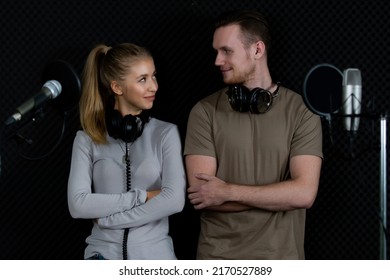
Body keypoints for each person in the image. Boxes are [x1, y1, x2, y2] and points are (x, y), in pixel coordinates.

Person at [184, 10, 323, 259]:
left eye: (226, 51)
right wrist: (279, 195)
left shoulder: (302, 110)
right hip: (217, 261)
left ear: (257, 50)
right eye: (216, 51)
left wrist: (228, 192)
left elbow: (303, 193)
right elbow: (203, 194)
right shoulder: (204, 111)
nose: (217, 60)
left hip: (283, 260)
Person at [67, 43, 186, 260]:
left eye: (154, 76)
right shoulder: (86, 139)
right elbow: (78, 205)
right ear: (117, 88)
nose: (154, 87)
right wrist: (144, 196)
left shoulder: (165, 133)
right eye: (142, 79)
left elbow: (174, 200)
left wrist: (108, 220)